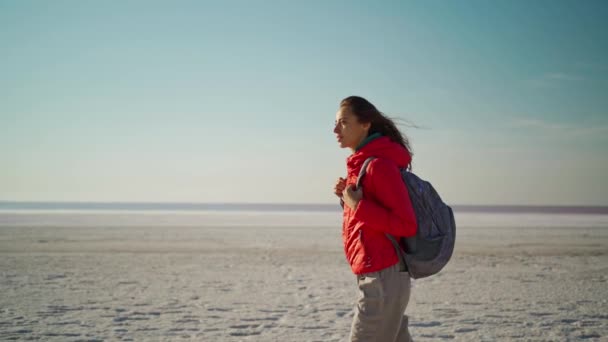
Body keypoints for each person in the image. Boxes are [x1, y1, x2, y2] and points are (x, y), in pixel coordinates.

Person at [333, 96, 417, 342]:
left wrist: (356, 204)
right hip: (378, 275)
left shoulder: (378, 166)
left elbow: (405, 224)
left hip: (382, 278)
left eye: (344, 122)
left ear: (365, 124)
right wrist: (347, 199)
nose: (335, 129)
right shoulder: (362, 166)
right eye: (335, 122)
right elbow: (368, 222)